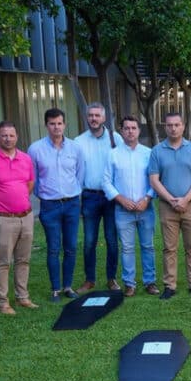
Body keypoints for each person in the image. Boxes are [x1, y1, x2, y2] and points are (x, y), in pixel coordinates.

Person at [0, 121, 36, 315]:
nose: (8, 139)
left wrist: (19, 201)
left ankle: (22, 297)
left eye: (11, 135)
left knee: (23, 259)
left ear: (17, 136)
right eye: (4, 135)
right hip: (3, 219)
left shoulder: (25, 159)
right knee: (3, 262)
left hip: (25, 217)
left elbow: (29, 183)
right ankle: (3, 302)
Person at [28, 108, 84, 303]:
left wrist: (72, 192)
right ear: (46, 125)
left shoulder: (75, 148)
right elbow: (32, 178)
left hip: (71, 204)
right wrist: (44, 195)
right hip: (49, 206)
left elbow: (80, 174)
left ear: (64, 124)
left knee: (70, 247)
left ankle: (68, 286)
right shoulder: (35, 149)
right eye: (52, 124)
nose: (56, 127)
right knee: (53, 247)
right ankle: (55, 289)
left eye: (59, 123)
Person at [148, 112, 191, 299]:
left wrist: (185, 199)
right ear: (165, 127)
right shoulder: (157, 151)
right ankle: (169, 285)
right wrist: (172, 199)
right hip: (167, 207)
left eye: (177, 125)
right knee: (169, 248)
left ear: (183, 126)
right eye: (169, 125)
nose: (173, 128)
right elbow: (154, 180)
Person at [103, 115, 158, 298]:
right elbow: (106, 182)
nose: (130, 131)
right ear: (122, 131)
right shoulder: (113, 154)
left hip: (145, 208)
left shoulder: (149, 153)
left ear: (139, 131)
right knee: (127, 248)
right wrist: (121, 199)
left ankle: (150, 281)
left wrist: (147, 198)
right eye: (126, 128)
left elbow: (155, 180)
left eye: (134, 128)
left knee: (148, 246)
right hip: (122, 209)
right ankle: (129, 283)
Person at [74, 102, 124, 292]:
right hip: (89, 196)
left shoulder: (115, 138)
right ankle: (89, 280)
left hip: (111, 198)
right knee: (89, 241)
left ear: (104, 118)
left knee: (112, 240)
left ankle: (111, 278)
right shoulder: (78, 141)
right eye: (90, 115)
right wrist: (77, 199)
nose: (93, 119)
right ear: (86, 118)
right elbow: (77, 171)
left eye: (97, 115)